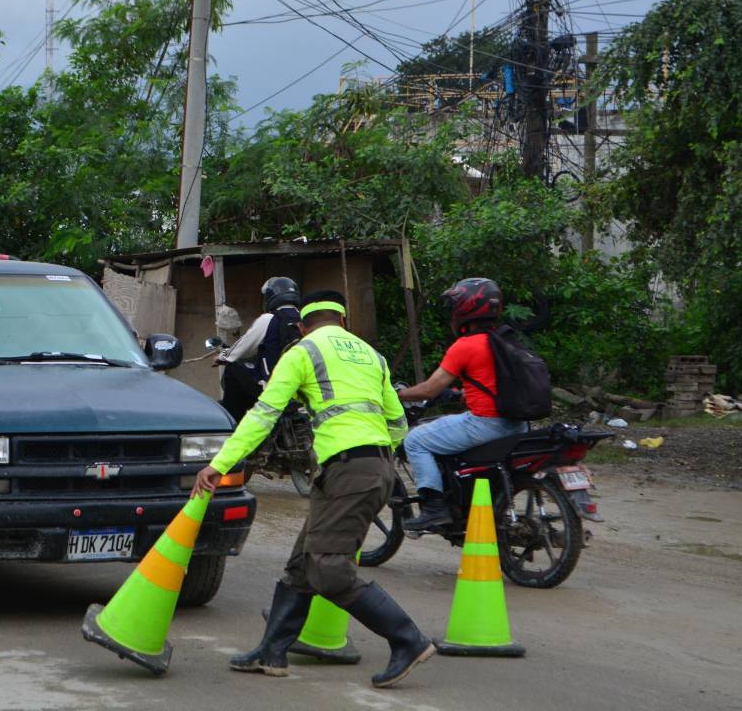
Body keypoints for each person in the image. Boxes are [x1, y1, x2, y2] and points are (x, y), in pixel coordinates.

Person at [193, 290, 435, 689]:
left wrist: (219, 465)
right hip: (371, 467)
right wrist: (376, 459)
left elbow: (263, 415)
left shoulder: (302, 352)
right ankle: (272, 652)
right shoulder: (371, 356)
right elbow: (397, 423)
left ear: (302, 326)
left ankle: (407, 640)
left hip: (346, 470)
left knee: (328, 570)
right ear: (343, 322)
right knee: (302, 564)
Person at [396, 278, 529, 532]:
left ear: (465, 308)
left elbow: (430, 389)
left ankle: (434, 509)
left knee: (416, 440)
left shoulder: (466, 345)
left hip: (486, 425)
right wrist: (465, 394)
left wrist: (400, 395)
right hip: (518, 426)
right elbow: (495, 381)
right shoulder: (505, 340)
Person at [215, 277, 302, 422]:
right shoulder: (306, 319)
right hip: (303, 388)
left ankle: (232, 421)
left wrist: (222, 356)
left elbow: (241, 348)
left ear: (269, 297)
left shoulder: (269, 319)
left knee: (233, 367)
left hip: (274, 387)